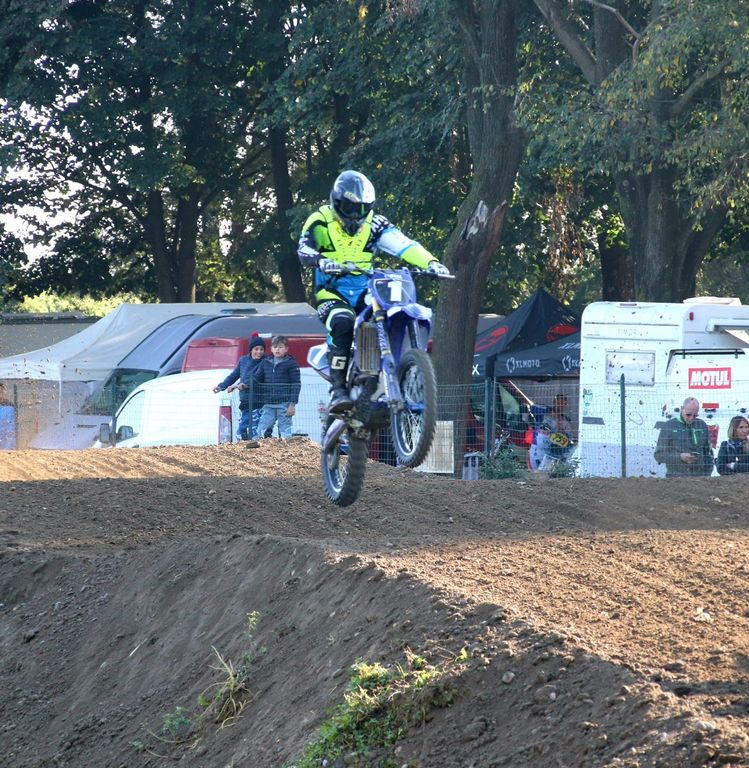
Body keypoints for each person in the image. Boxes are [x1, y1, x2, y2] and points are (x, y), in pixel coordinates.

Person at [297, 169, 450, 413]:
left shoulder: (376, 224)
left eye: (361, 208)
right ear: (336, 202)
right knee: (342, 321)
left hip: (366, 289)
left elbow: (403, 245)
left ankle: (386, 376)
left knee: (388, 315)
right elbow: (304, 248)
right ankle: (338, 389)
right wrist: (320, 260)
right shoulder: (320, 220)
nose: (355, 214)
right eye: (349, 207)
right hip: (331, 291)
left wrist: (431, 263)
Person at [213, 334, 266, 440]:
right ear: (251, 350)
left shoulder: (265, 362)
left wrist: (241, 385)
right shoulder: (243, 361)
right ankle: (243, 443)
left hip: (259, 400)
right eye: (256, 349)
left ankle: (253, 444)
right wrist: (222, 386)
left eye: (261, 349)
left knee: (254, 427)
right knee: (244, 425)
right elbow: (234, 375)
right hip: (245, 399)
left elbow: (256, 378)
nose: (259, 352)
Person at [252, 335, 301, 439]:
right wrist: (245, 383)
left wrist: (292, 404)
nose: (277, 349)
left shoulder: (291, 364)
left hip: (285, 403)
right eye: (275, 347)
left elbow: (296, 384)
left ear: (286, 349)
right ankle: (259, 447)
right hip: (268, 403)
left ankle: (286, 448)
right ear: (271, 349)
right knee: (262, 428)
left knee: (285, 430)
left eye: (280, 347)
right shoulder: (265, 362)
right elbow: (256, 378)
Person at [654, 396, 714, 477]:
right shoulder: (668, 426)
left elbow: (709, 453)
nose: (691, 418)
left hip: (700, 478)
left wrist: (707, 474)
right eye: (688, 415)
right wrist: (680, 457)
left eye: (695, 415)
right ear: (682, 409)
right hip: (676, 478)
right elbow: (658, 455)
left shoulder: (702, 425)